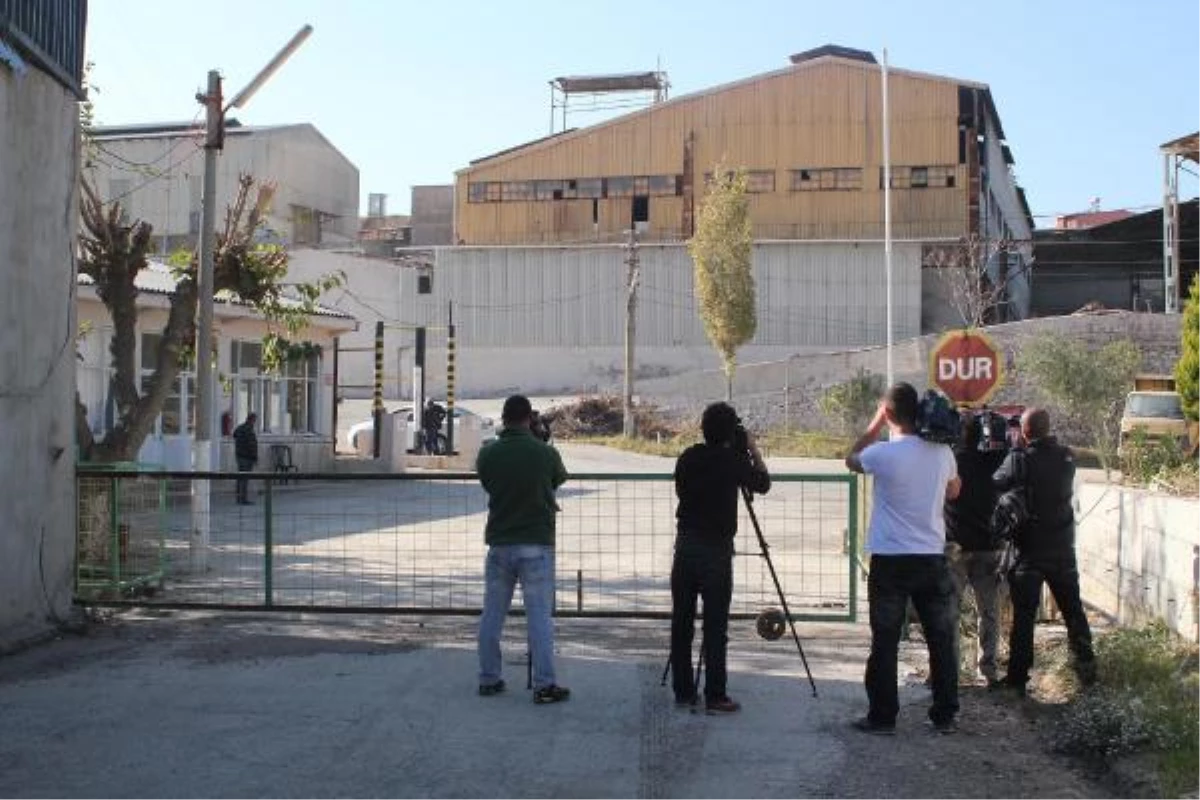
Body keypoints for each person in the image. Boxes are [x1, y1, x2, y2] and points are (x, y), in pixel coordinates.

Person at [845, 383, 962, 735]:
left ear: (889, 414)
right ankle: (944, 715)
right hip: (931, 558)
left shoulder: (883, 453)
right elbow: (955, 489)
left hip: (891, 559)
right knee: (940, 639)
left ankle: (882, 716)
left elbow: (851, 459)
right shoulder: (942, 453)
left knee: (885, 640)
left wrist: (872, 425)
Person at [669, 402, 771, 714]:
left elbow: (681, 491)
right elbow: (763, 484)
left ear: (703, 428)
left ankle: (684, 691)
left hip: (685, 547)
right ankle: (716, 695)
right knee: (715, 626)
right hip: (716, 551)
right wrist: (752, 449)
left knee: (682, 622)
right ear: (730, 432)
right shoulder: (733, 461)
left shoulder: (688, 457)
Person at [993, 408, 1096, 695]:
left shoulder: (1018, 459)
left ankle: (1017, 681)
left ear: (1025, 431)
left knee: (1024, 619)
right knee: (1073, 612)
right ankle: (1087, 674)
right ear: (1048, 428)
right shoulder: (1067, 458)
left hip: (1029, 551)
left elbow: (997, 482)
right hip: (1062, 549)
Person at [476, 395, 570, 704]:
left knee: (492, 614)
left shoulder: (488, 454)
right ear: (529, 418)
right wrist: (540, 442)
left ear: (503, 419)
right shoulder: (544, 453)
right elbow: (557, 480)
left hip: (500, 543)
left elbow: (489, 483)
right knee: (539, 617)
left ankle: (489, 678)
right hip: (536, 544)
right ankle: (545, 684)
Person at [945, 411, 1007, 687]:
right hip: (988, 547)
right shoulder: (993, 461)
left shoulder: (950, 462)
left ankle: (949, 670)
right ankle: (988, 668)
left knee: (950, 611)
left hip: (955, 546)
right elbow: (1008, 450)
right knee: (989, 612)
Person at [232, 412, 258, 505]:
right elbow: (252, 445)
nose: (254, 422)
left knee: (240, 478)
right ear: (252, 420)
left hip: (239, 456)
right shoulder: (249, 430)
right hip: (247, 457)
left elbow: (234, 435)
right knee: (244, 478)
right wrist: (255, 457)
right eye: (254, 420)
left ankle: (239, 497)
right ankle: (243, 498)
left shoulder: (240, 428)